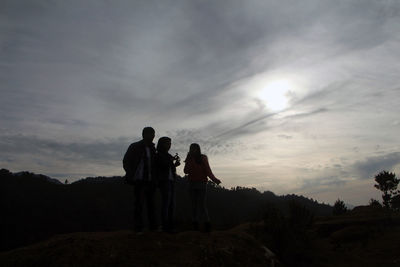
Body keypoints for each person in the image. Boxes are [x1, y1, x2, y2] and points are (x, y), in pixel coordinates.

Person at [123, 127, 157, 233]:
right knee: (139, 204)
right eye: (150, 134)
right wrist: (131, 174)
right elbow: (126, 161)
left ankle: (153, 227)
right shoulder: (134, 146)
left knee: (151, 204)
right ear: (143, 134)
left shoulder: (152, 149)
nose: (152, 136)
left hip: (150, 181)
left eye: (153, 134)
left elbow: (154, 165)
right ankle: (138, 228)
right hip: (139, 180)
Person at [184, 143, 221, 232]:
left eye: (194, 149)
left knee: (202, 205)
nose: (192, 150)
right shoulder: (189, 158)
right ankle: (195, 224)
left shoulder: (203, 158)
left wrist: (214, 179)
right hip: (192, 184)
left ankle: (207, 224)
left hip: (201, 184)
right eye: (191, 149)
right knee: (193, 205)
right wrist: (189, 160)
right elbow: (185, 171)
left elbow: (208, 171)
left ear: (198, 149)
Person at [155, 137, 181, 232]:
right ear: (162, 144)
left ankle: (169, 225)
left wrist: (175, 164)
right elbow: (162, 165)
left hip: (171, 181)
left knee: (171, 204)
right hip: (164, 181)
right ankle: (165, 226)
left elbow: (169, 167)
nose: (169, 145)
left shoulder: (168, 156)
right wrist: (172, 161)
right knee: (167, 204)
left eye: (170, 143)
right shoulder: (158, 155)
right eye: (167, 143)